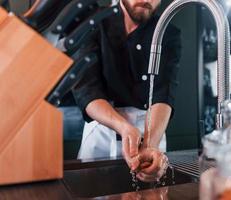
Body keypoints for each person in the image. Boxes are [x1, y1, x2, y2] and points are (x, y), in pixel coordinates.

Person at [72, 0, 181, 182]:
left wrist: (149, 144)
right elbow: (87, 90)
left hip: (151, 129)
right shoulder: (93, 23)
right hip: (102, 130)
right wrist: (123, 127)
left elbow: (164, 93)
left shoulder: (168, 32)